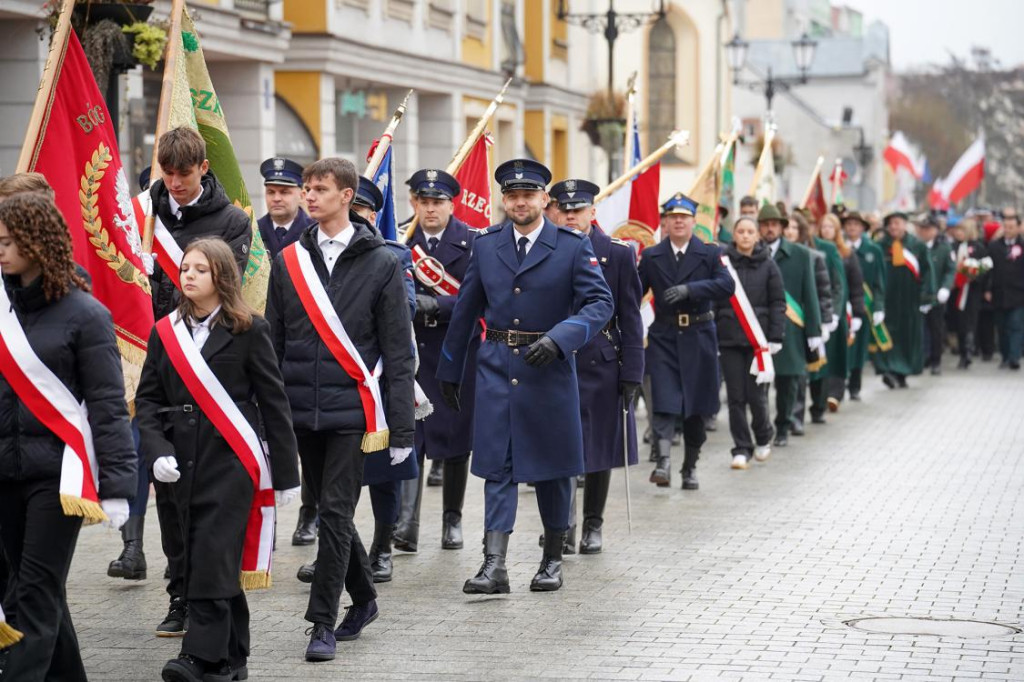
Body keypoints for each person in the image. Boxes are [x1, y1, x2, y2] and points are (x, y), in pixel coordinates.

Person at [436, 159, 613, 594]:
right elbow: (465, 310)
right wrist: (450, 369)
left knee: (554, 470)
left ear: (543, 200)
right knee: (498, 467)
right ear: (503, 200)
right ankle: (493, 566)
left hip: (549, 371)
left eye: (528, 195)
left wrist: (560, 339)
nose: (520, 202)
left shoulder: (572, 246)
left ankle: (552, 559)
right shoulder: (486, 244)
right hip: (497, 368)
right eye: (512, 195)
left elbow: (599, 304)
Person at [265, 157, 415, 662]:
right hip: (300, 409)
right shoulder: (289, 261)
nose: (309, 196)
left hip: (352, 411)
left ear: (346, 196)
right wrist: (271, 414)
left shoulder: (382, 261)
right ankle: (366, 598)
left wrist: (402, 430)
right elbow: (274, 342)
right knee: (331, 511)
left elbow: (398, 351)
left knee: (333, 512)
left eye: (319, 188)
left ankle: (321, 623)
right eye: (306, 188)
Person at [135, 238, 299, 682]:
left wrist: (286, 476)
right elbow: (147, 401)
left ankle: (198, 656)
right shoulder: (164, 331)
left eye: (199, 270)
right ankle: (233, 658)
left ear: (221, 277)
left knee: (211, 554)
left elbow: (273, 402)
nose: (187, 276)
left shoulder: (249, 329)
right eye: (184, 268)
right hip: (178, 465)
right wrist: (157, 451)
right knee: (193, 555)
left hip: (230, 463)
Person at [0, 193, 136, 681]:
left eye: (11, 241)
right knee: (39, 588)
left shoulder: (85, 314)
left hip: (60, 477)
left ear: (39, 243)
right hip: (4, 472)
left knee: (31, 595)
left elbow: (107, 406)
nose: (1, 250)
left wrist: (120, 486)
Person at [147, 126, 253, 637]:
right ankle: (178, 591)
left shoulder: (231, 220)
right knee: (168, 494)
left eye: (184, 174)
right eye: (167, 174)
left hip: (212, 369)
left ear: (203, 169)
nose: (175, 183)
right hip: (159, 365)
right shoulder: (144, 211)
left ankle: (208, 595)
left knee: (206, 495)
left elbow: (226, 287)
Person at [549, 178, 643, 553]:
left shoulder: (617, 254)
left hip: (601, 360)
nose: (571, 216)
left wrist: (633, 371)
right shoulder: (546, 248)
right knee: (559, 446)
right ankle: (561, 525)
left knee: (599, 449)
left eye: (578, 210)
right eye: (565, 210)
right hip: (554, 359)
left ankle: (593, 525)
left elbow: (631, 317)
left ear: (592, 211)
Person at [396, 168, 479, 553]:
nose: (429, 209)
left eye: (437, 202)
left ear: (452, 203)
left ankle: (452, 520)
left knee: (454, 438)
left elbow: (479, 297)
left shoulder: (474, 243)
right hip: (411, 354)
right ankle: (407, 523)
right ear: (414, 203)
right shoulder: (398, 237)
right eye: (423, 201)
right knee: (412, 437)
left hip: (454, 352)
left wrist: (437, 305)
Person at [639, 192, 734, 490]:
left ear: (694, 221)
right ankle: (663, 462)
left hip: (698, 336)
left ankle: (690, 467)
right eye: (672, 217)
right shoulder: (652, 256)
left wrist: (690, 290)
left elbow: (726, 285)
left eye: (684, 217)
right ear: (664, 222)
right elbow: (633, 294)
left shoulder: (708, 253)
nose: (678, 221)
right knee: (664, 401)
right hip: (664, 337)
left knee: (696, 407)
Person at [714, 216, 785, 469]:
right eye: (740, 231)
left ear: (757, 236)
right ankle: (741, 447)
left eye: (750, 232)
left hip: (759, 341)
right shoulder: (722, 265)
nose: (745, 236)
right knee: (735, 397)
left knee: (757, 396)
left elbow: (778, 303)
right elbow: (714, 298)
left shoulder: (769, 265)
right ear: (734, 235)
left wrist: (776, 336)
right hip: (730, 339)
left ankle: (764, 436)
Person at [758, 203, 822, 447]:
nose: (770, 229)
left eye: (774, 224)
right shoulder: (751, 251)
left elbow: (810, 294)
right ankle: (762, 427)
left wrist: (814, 330)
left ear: (782, 228)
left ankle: (783, 426)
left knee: (788, 381)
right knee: (759, 383)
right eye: (765, 225)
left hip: (791, 329)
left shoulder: (800, 254)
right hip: (760, 327)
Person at [874, 211, 936, 388]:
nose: (894, 227)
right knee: (888, 335)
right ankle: (888, 370)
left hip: (910, 300)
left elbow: (927, 271)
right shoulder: (880, 246)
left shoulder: (917, 246)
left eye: (897, 223)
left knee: (907, 337)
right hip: (887, 300)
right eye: (891, 224)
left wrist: (926, 297)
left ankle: (902, 372)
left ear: (905, 224)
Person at [787, 211, 834, 435]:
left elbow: (824, 292)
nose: (789, 232)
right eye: (786, 228)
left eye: (794, 228)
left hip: (802, 321)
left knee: (799, 372)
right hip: (776, 323)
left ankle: (796, 416)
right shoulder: (767, 255)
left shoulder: (812, 256)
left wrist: (823, 322)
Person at [818, 212, 866, 409]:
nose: (826, 230)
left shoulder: (846, 253)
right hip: (820, 308)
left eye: (831, 227)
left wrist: (857, 312)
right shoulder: (812, 250)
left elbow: (855, 286)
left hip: (840, 310)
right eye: (824, 226)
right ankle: (820, 392)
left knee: (838, 352)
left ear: (837, 230)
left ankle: (835, 393)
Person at [842, 211, 886, 400]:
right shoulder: (839, 248)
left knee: (859, 347)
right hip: (843, 304)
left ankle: (855, 386)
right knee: (843, 347)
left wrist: (878, 306)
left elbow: (879, 282)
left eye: (856, 224)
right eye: (848, 224)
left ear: (863, 228)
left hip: (863, 306)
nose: (852, 227)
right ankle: (838, 384)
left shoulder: (873, 250)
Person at [257, 157, 315, 263]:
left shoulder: (315, 232)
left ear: (302, 196)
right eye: (271, 192)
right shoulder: (254, 231)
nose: (276, 199)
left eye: (284, 192)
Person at [918, 216, 954, 374]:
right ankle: (921, 358)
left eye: (929, 229)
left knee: (936, 329)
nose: (926, 232)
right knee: (920, 329)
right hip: (919, 295)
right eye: (923, 229)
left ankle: (936, 360)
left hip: (937, 296)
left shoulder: (944, 247)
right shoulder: (916, 246)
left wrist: (945, 287)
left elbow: (950, 269)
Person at [989, 207, 1024, 369]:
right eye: (1006, 227)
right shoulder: (995, 246)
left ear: (1018, 227)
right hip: (999, 293)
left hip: (1018, 294)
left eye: (1012, 227)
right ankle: (1004, 355)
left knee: (1016, 325)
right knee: (1002, 327)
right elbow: (989, 270)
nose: (1008, 230)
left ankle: (1014, 357)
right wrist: (987, 289)